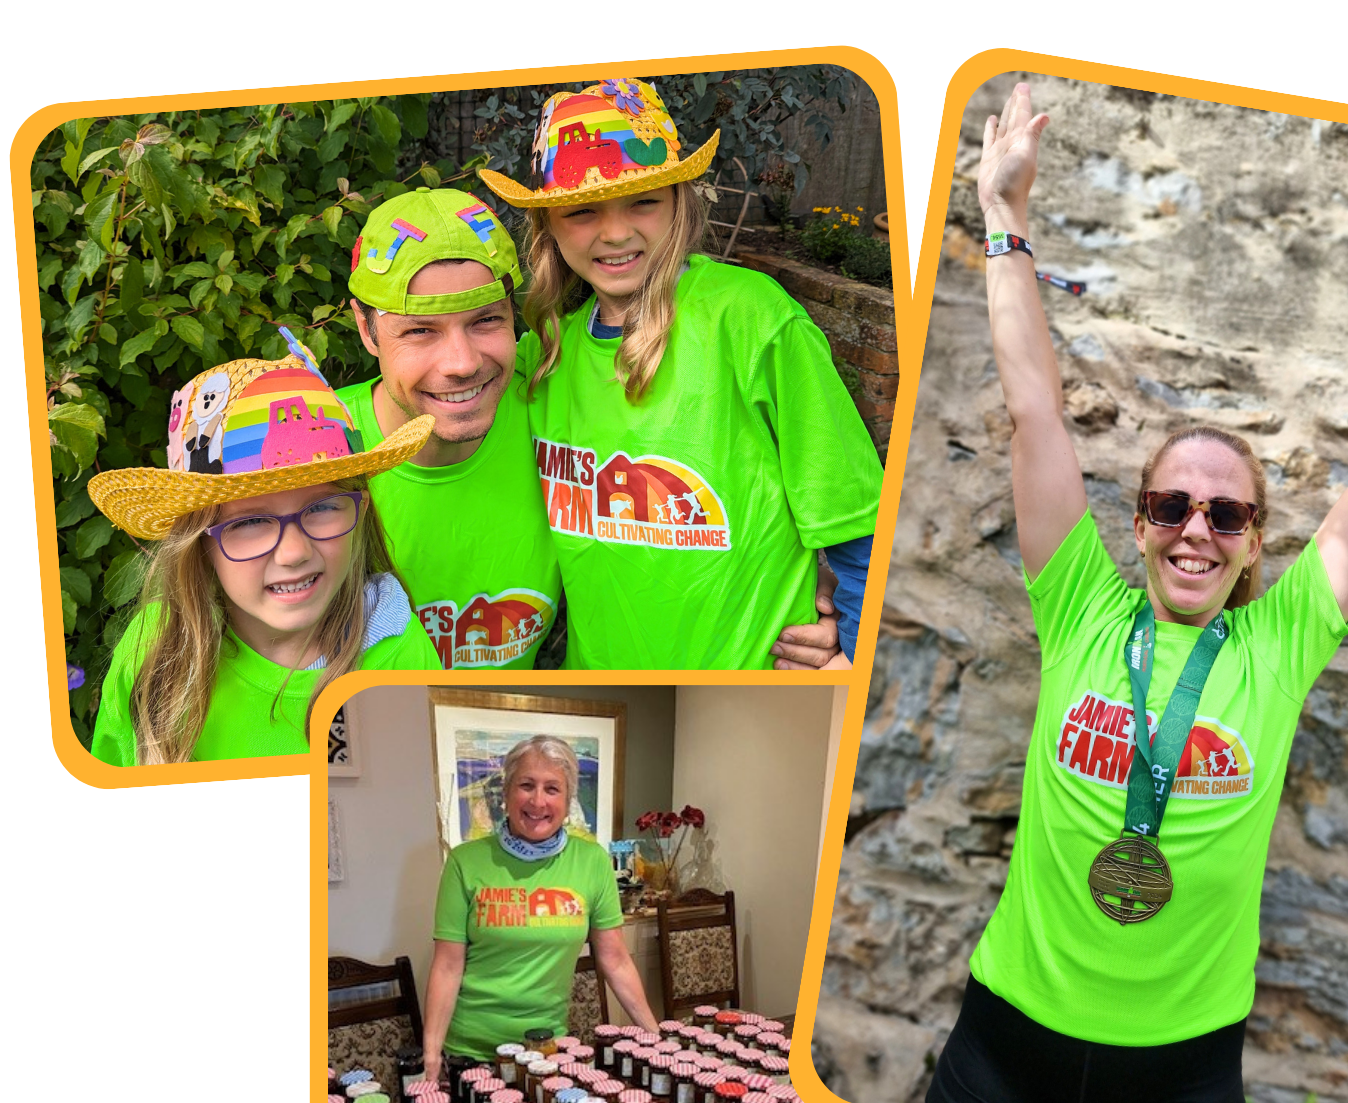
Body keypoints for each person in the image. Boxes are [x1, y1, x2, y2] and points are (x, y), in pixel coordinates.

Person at [922, 84, 1348, 1103]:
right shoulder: (1078, 600)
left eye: (1224, 511)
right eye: (1170, 506)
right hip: (999, 1054)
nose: (1194, 530)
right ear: (1138, 522)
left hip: (1179, 1086)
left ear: (1255, 539)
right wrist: (1004, 215)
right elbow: (1033, 405)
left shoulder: (1280, 638)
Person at [343, 186, 845, 670]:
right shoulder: (316, 449)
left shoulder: (537, 382)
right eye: (420, 330)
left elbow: (840, 514)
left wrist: (832, 598)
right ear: (366, 329)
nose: (460, 363)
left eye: (485, 321)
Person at [480, 76, 883, 670]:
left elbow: (855, 525)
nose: (616, 233)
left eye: (643, 200)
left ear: (680, 201)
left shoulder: (749, 317)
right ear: (547, 226)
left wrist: (855, 654)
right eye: (583, 210)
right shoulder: (544, 360)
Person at [86, 335, 441, 765]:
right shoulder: (153, 653)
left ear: (360, 511)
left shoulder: (398, 654)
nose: (293, 552)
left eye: (323, 506)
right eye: (250, 522)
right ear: (201, 544)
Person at [422, 735, 659, 1085]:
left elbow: (616, 960)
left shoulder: (591, 861)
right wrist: (431, 1056)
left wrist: (654, 1036)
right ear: (506, 793)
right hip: (470, 1054)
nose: (538, 801)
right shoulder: (465, 862)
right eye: (526, 785)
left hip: (547, 1051)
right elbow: (446, 965)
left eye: (552, 788)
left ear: (567, 800)